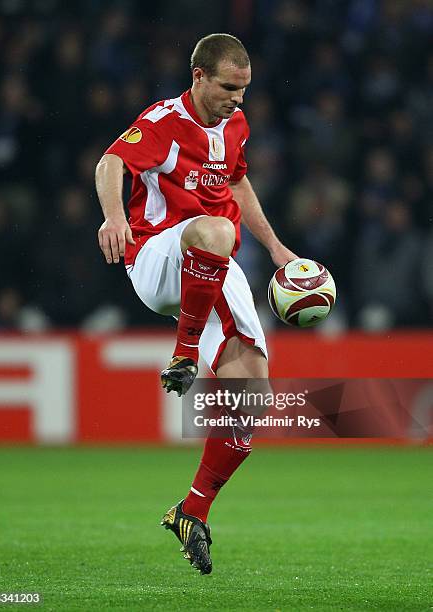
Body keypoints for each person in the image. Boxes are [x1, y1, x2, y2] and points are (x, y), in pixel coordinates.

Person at [95, 33, 297, 575]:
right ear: (199, 76)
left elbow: (237, 183)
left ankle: (192, 510)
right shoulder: (163, 121)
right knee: (212, 231)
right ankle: (184, 353)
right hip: (159, 258)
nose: (239, 99)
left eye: (245, 90)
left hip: (213, 263)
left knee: (252, 395)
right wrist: (115, 217)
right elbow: (111, 162)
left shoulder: (236, 126)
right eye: (230, 88)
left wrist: (276, 249)